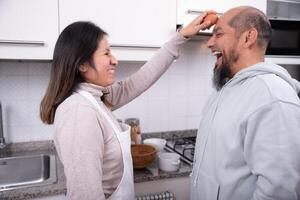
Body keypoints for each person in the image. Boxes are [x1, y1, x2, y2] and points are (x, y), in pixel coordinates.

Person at [40, 11, 215, 200]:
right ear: (82, 64)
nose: (114, 60)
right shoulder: (78, 112)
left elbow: (138, 81)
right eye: (106, 53)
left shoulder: (96, 98)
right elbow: (85, 195)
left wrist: (181, 36)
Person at [190, 6, 300, 200]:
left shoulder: (272, 97)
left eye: (218, 34)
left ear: (248, 37)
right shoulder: (225, 89)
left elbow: (278, 192)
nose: (209, 43)